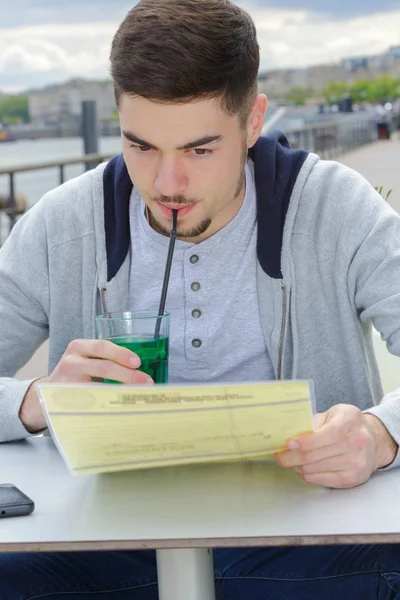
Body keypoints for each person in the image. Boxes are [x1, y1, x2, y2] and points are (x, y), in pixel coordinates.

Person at [1, 0, 400, 598]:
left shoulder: (336, 208)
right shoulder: (62, 226)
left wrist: (379, 434)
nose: (166, 185)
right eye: (140, 147)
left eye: (199, 150)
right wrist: (37, 401)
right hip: (104, 539)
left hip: (308, 541)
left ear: (254, 120)